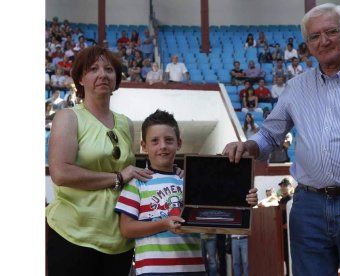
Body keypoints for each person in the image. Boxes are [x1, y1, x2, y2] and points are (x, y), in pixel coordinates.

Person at [222, 3, 340, 276]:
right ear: (308, 46)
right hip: (309, 207)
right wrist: (247, 146)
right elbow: (268, 135)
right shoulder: (295, 88)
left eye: (331, 32)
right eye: (314, 36)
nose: (323, 41)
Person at [46, 45, 160, 276]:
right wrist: (117, 177)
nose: (102, 74)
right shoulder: (68, 117)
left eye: (109, 69)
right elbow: (61, 173)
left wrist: (170, 175)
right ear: (80, 77)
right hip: (74, 235)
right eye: (93, 69)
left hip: (119, 239)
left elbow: (134, 175)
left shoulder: (126, 123)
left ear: (116, 78)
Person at [114, 109, 258, 275]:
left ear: (179, 143)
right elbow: (126, 229)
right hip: (152, 271)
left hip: (193, 269)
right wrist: (164, 223)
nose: (162, 146)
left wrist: (245, 201)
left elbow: (218, 212)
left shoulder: (189, 182)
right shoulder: (136, 182)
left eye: (169, 140)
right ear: (144, 146)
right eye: (155, 141)